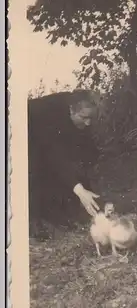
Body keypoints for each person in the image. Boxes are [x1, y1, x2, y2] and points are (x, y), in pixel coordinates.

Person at [28, 89, 102, 238]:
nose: (88, 123)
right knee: (37, 169)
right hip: (22, 126)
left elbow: (84, 155)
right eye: (84, 118)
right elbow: (55, 158)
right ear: (71, 110)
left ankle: (66, 213)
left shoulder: (81, 118)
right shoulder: (49, 116)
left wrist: (87, 192)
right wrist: (80, 191)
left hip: (48, 139)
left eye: (91, 118)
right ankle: (34, 221)